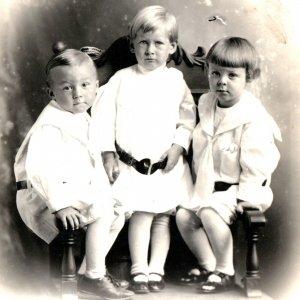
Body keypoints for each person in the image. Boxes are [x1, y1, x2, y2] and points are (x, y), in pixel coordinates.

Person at [14, 43, 133, 300]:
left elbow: (90, 166)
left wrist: (109, 194)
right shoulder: (51, 124)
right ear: (51, 92)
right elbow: (41, 171)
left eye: (85, 85)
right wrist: (61, 205)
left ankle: (88, 274)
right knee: (101, 209)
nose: (78, 94)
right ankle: (94, 275)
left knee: (116, 212)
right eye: (67, 88)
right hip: (41, 197)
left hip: (67, 189)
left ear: (97, 85)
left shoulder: (79, 117)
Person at [90, 5, 195, 294]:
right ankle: (138, 269)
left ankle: (156, 269)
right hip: (131, 165)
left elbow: (187, 118)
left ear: (172, 47)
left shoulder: (175, 81)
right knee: (139, 215)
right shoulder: (121, 80)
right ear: (132, 45)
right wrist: (108, 153)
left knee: (162, 217)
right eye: (143, 43)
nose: (150, 50)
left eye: (159, 43)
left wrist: (179, 145)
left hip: (165, 167)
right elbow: (102, 120)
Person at [176, 36, 282, 294]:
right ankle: (208, 264)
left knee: (210, 212)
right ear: (208, 72)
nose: (222, 81)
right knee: (183, 216)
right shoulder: (207, 103)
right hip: (208, 185)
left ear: (249, 77)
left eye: (232, 75)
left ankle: (225, 269)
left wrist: (246, 197)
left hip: (239, 188)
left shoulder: (253, 118)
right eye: (216, 73)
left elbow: (257, 164)